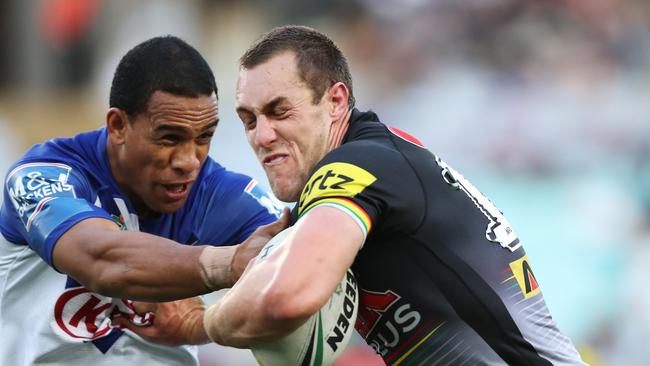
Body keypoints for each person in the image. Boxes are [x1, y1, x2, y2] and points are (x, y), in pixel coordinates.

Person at [131, 26, 588, 365]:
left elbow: (287, 298)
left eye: (279, 111)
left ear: (335, 101)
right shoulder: (381, 159)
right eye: (249, 119)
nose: (262, 135)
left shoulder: (353, 168)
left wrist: (198, 323)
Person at [0, 35, 288, 366]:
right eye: (170, 138)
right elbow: (102, 261)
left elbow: (298, 263)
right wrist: (229, 263)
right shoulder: (42, 177)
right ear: (118, 125)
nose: (189, 161)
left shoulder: (218, 194)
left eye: (204, 137)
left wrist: (207, 324)